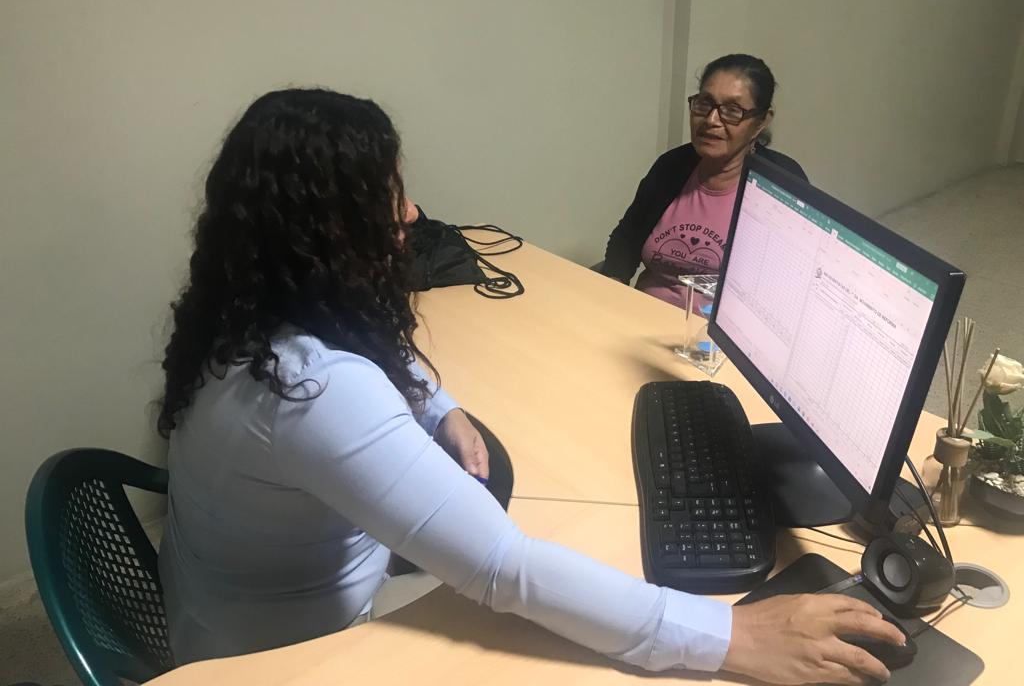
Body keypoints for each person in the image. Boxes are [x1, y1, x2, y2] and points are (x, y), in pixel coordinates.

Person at [157, 88, 904, 684]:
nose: (411, 213)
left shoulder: (251, 309)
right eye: (386, 196)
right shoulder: (315, 390)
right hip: (290, 658)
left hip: (235, 606)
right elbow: (503, 568)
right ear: (325, 230)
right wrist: (731, 634)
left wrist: (441, 409)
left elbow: (376, 350)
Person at [602, 54, 807, 309]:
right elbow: (626, 240)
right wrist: (613, 290)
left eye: (732, 110)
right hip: (642, 317)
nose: (711, 120)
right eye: (704, 104)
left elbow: (790, 287)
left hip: (716, 331)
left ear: (760, 121)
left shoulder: (782, 186)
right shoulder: (671, 167)